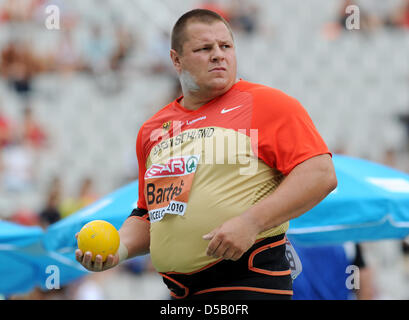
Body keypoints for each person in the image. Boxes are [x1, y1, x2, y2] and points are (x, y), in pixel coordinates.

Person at [76, 9, 337, 300]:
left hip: (249, 283)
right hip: (182, 296)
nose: (218, 55)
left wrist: (251, 222)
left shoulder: (268, 104)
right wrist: (118, 248)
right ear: (176, 60)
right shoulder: (153, 130)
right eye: (204, 48)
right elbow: (151, 214)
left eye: (225, 46)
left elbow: (320, 174)